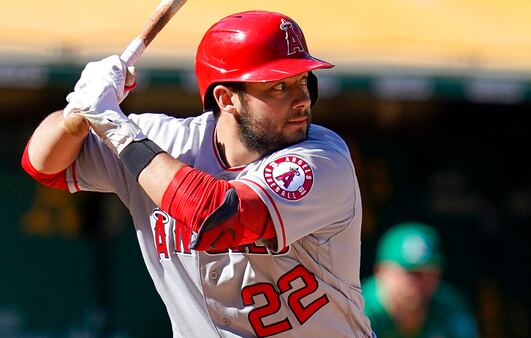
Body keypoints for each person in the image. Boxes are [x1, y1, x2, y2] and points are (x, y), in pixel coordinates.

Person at [22, 10, 373, 337]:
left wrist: (115, 126)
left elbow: (218, 215)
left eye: (302, 81)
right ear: (226, 98)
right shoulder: (164, 142)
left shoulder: (321, 158)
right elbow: (44, 165)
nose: (302, 100)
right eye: (278, 86)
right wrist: (79, 113)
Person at [362, 222, 479, 338]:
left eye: (429, 272)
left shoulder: (450, 308)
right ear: (380, 272)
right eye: (411, 273)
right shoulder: (358, 308)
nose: (420, 283)